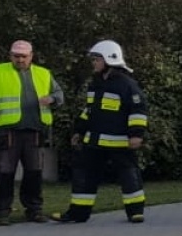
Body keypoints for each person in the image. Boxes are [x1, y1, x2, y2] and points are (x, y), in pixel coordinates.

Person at [51, 40, 149, 224]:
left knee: (128, 175)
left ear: (109, 60)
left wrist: (136, 134)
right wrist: (79, 130)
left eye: (97, 59)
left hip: (119, 142)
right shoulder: (95, 84)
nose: (94, 63)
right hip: (94, 141)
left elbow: (138, 110)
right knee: (84, 176)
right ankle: (78, 214)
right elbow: (89, 111)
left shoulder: (127, 85)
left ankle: (135, 212)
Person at [0, 40, 65, 224]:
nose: (20, 60)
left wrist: (52, 99)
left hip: (34, 131)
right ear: (10, 56)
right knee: (5, 172)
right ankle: (2, 212)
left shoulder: (43, 73)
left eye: (24, 56)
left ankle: (34, 210)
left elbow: (59, 95)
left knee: (34, 172)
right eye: (16, 56)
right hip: (8, 131)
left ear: (31, 56)